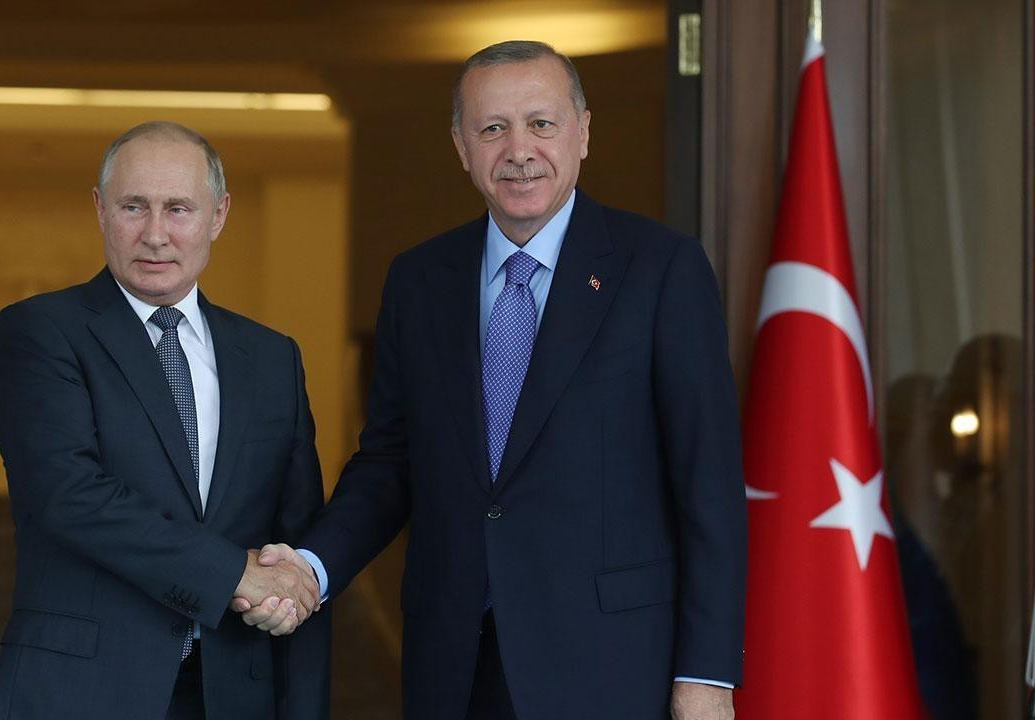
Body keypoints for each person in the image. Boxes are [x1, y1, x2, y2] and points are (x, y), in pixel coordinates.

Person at [239, 41, 746, 719]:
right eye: (493, 128)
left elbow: (707, 483)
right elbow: (390, 462)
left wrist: (707, 674)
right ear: (461, 146)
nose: (519, 150)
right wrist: (311, 566)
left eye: (541, 123)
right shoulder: (419, 280)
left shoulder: (661, 270)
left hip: (613, 667)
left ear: (583, 132)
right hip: (455, 664)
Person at [0, 121, 329, 720]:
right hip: (82, 692)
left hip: (235, 693)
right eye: (133, 207)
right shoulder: (39, 331)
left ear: (218, 215)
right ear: (100, 209)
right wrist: (233, 575)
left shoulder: (273, 358)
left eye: (179, 209)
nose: (155, 234)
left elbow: (296, 542)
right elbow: (69, 494)